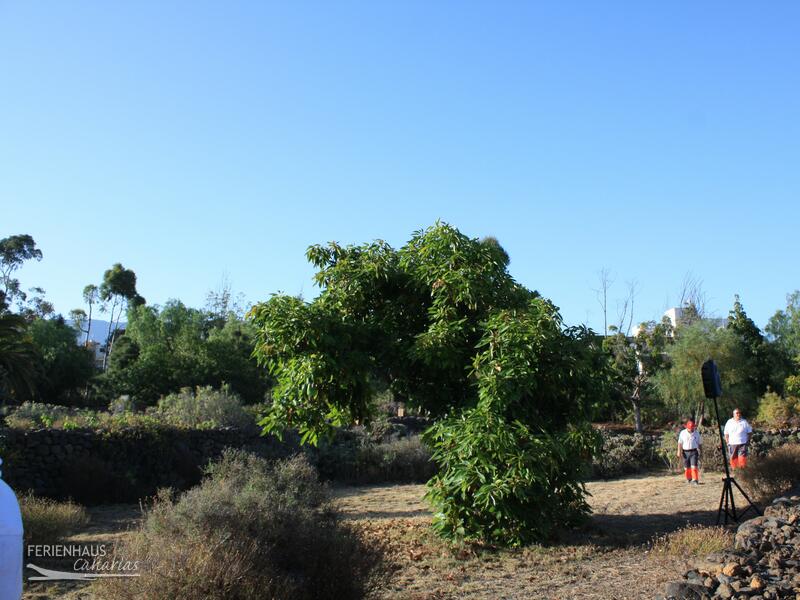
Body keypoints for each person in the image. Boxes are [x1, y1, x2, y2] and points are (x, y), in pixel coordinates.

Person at [677, 419, 702, 485]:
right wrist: (679, 451)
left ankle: (695, 480)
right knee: (686, 467)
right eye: (690, 428)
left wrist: (700, 451)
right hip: (685, 452)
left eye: (692, 428)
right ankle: (689, 479)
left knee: (694, 466)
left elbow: (699, 443)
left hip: (694, 451)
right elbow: (680, 443)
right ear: (687, 427)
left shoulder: (696, 433)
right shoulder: (682, 433)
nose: (691, 429)